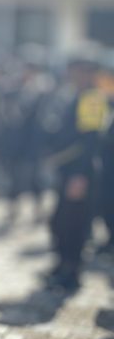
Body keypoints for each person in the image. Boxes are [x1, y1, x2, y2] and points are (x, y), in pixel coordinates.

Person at [43, 55, 108, 291]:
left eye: (79, 71)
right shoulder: (75, 95)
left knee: (74, 225)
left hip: (80, 172)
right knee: (60, 222)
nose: (74, 75)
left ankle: (71, 272)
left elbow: (90, 140)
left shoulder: (92, 98)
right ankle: (62, 265)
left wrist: (79, 176)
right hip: (68, 169)